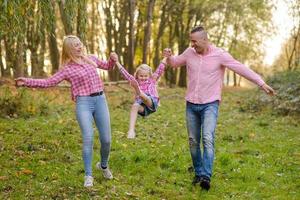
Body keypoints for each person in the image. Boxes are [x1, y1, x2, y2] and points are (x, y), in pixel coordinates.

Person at [163, 26, 275, 191]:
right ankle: (199, 173)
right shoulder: (189, 52)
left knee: (207, 138)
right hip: (191, 104)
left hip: (210, 104)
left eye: (194, 41)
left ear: (204, 39)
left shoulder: (220, 55)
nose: (192, 44)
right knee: (193, 141)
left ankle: (206, 176)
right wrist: (169, 57)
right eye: (191, 41)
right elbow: (174, 63)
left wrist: (261, 83)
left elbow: (241, 68)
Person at [15, 35, 117, 187]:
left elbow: (108, 66)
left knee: (107, 140)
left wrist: (113, 59)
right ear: (69, 49)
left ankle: (103, 165)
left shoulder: (92, 58)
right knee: (88, 137)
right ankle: (88, 175)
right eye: (76, 45)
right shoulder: (67, 69)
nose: (79, 47)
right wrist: (27, 82)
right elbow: (49, 82)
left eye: (80, 44)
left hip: (100, 100)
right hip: (83, 103)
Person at [115, 58, 167, 138]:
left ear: (149, 75)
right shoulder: (135, 81)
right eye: (141, 76)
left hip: (152, 102)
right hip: (144, 108)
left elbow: (160, 68)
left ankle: (139, 92)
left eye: (146, 76)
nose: (143, 78)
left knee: (145, 97)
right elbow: (125, 73)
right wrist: (116, 62)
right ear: (137, 75)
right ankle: (131, 130)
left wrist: (166, 57)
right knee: (135, 106)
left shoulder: (152, 80)